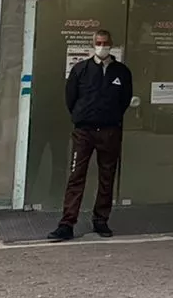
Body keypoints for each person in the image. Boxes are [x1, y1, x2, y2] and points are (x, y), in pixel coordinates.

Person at [49, 30, 134, 240]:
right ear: (92, 44)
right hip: (84, 131)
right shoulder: (81, 69)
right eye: (98, 42)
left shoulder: (121, 72)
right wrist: (82, 117)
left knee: (107, 177)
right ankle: (67, 224)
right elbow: (71, 99)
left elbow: (125, 100)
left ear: (111, 44)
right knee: (76, 176)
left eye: (105, 42)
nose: (102, 46)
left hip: (110, 131)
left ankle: (101, 220)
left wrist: (110, 117)